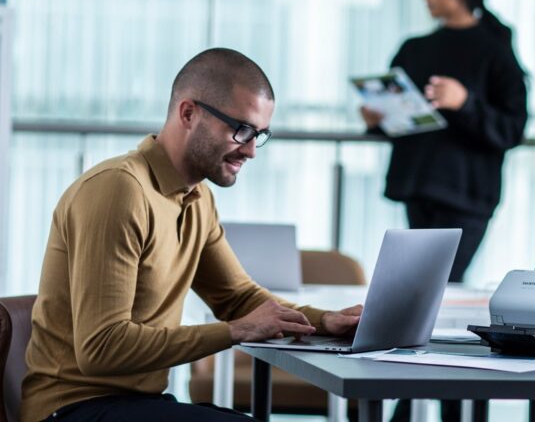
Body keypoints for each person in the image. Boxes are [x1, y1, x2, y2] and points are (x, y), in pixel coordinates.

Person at [21, 48, 362, 422]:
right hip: (73, 409)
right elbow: (101, 347)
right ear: (188, 113)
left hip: (138, 405)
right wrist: (232, 332)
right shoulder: (118, 190)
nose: (250, 150)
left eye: (259, 135)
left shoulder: (197, 199)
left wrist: (324, 322)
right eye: (242, 130)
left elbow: (238, 298)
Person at [359, 0, 527, 422]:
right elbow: (403, 121)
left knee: (431, 301)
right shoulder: (414, 48)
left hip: (468, 196)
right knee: (423, 303)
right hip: (420, 188)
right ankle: (423, 408)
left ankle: (425, 409)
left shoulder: (495, 51)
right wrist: (377, 119)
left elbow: (510, 129)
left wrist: (464, 101)